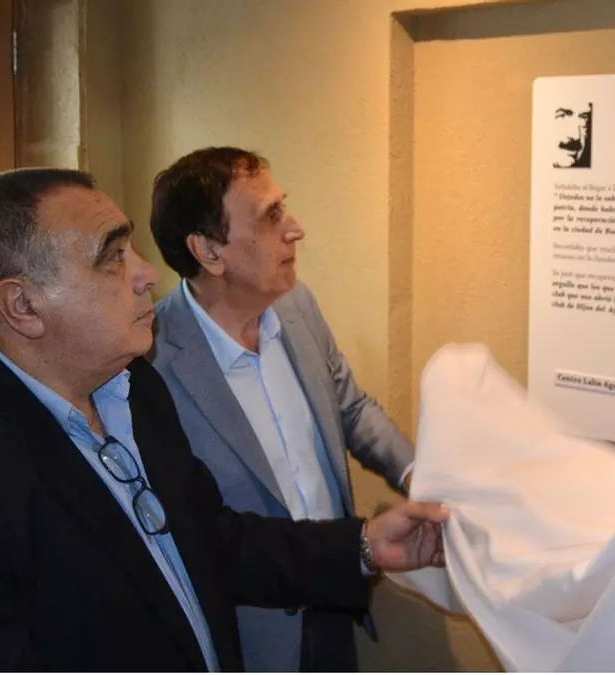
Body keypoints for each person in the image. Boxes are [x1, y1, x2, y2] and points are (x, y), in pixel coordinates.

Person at [0, 168, 447, 671]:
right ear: (23, 306)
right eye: (112, 257)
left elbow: (212, 541)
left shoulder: (134, 386)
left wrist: (363, 545)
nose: (148, 274)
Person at [148, 147, 417, 671]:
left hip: (337, 592)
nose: (295, 229)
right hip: (254, 632)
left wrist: (418, 473)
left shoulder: (296, 305)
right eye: (270, 216)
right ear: (208, 250)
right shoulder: (150, 360)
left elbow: (350, 407)